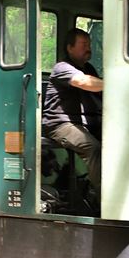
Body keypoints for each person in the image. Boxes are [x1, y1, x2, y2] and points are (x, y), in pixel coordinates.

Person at [42, 27, 103, 195]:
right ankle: (100, 198)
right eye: (83, 44)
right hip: (60, 124)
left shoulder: (89, 68)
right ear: (70, 48)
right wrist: (113, 83)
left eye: (89, 44)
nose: (88, 48)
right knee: (93, 148)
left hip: (86, 122)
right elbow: (83, 82)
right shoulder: (62, 68)